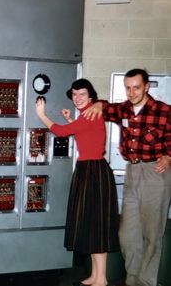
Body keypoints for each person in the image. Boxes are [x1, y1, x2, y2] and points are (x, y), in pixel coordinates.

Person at [83, 68, 171, 286]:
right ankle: (132, 277)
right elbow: (106, 107)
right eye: (128, 88)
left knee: (152, 234)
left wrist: (169, 156)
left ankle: (145, 281)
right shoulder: (124, 109)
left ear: (147, 87)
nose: (131, 93)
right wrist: (98, 104)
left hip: (155, 173)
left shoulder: (164, 111)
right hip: (132, 172)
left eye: (136, 87)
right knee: (126, 233)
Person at [36, 78, 120, 286]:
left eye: (82, 94)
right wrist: (73, 120)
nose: (77, 98)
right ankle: (96, 275)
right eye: (74, 94)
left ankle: (101, 279)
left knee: (97, 225)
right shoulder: (87, 114)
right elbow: (86, 136)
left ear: (90, 96)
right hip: (89, 169)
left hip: (93, 171)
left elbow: (62, 132)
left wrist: (42, 115)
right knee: (92, 224)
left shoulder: (91, 112)